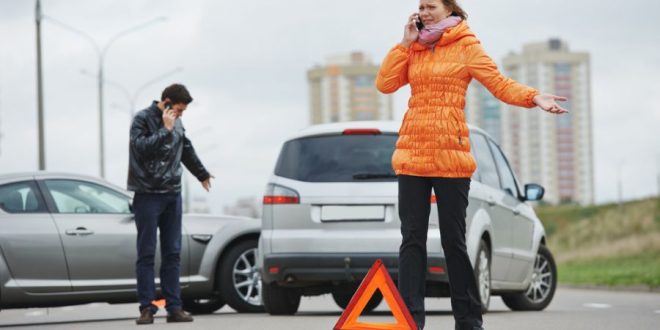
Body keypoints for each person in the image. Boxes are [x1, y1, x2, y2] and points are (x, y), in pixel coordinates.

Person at [376, 1, 568, 329]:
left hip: (451, 158)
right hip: (412, 157)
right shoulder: (415, 48)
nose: (424, 11)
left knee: (454, 240)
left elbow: (499, 83)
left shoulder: (466, 46)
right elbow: (386, 83)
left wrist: (534, 97)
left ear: (449, 8)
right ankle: (410, 321)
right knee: (411, 239)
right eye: (420, 6)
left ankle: (468, 321)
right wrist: (404, 43)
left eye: (431, 6)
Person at [127, 83, 214, 325]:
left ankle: (174, 308)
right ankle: (146, 308)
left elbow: (185, 147)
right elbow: (140, 148)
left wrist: (202, 174)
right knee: (146, 253)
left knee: (173, 253)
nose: (180, 114)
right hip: (147, 194)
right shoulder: (142, 119)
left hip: (172, 195)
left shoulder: (178, 122)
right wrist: (165, 130)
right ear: (165, 102)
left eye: (183, 111)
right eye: (177, 109)